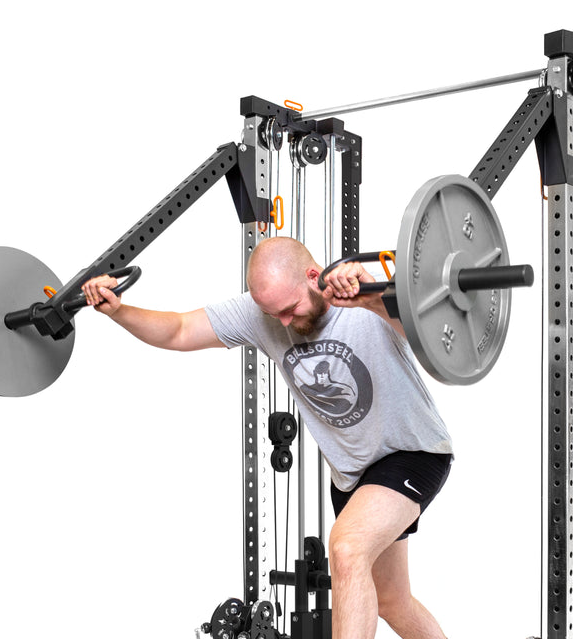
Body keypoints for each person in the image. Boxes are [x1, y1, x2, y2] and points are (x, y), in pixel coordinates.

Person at [82, 236, 453, 639]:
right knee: (392, 601)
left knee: (346, 550)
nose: (282, 323)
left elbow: (424, 332)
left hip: (412, 451)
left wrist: (375, 295)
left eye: (290, 310)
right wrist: (118, 312)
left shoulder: (365, 301)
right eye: (271, 313)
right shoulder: (266, 313)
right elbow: (179, 330)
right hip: (351, 476)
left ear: (313, 276)